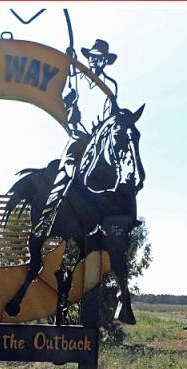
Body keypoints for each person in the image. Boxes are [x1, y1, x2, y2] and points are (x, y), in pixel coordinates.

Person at [33, 39, 120, 236]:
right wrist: (71, 106)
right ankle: (45, 220)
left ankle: (109, 222)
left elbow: (111, 117)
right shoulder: (77, 79)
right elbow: (66, 99)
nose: (96, 62)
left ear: (106, 61)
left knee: (115, 175)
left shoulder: (110, 87)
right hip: (78, 137)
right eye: (93, 58)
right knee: (65, 173)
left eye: (100, 59)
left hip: (97, 141)